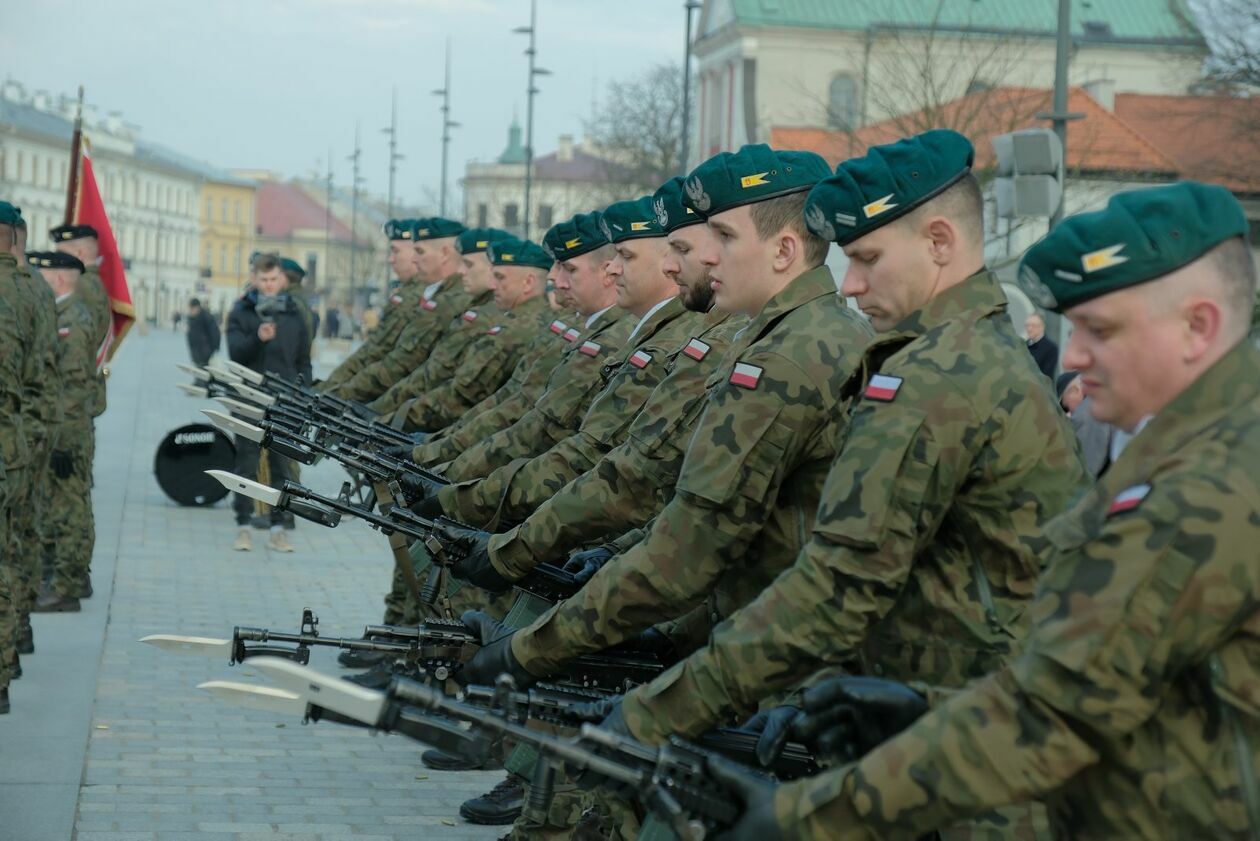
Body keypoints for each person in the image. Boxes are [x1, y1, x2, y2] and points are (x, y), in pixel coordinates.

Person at [713, 181, 1260, 841]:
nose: (1075, 356)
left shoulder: (1214, 484)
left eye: (1100, 329)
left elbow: (1053, 716)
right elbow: (1133, 688)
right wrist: (926, 709)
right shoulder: (1189, 447)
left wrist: (804, 817)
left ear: (1197, 326)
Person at [27, 251, 97, 615]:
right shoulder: (64, 314)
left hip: (67, 427)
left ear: (58, 278)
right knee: (69, 502)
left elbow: (71, 385)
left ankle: (66, 587)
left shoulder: (72, 320)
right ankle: (73, 577)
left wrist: (62, 437)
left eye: (40, 273)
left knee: (68, 506)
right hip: (66, 425)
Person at [226, 254, 311, 553]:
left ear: (282, 280)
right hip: (248, 398)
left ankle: (279, 528)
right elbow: (235, 353)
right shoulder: (241, 310)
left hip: (285, 400)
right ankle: (244, 526)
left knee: (282, 468)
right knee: (245, 465)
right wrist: (257, 338)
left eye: (274, 280)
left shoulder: (294, 313)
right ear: (254, 278)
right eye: (263, 280)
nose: (269, 285)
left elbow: (303, 361)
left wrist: (304, 398)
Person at [185, 298, 221, 367]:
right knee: (199, 375)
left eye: (192, 309)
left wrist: (212, 351)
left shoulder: (207, 317)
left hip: (207, 356)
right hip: (196, 356)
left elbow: (215, 334)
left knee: (207, 375)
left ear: (197, 307)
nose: (190, 311)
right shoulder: (191, 319)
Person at [1025, 311, 1058, 380]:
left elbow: (1046, 375)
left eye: (1033, 326)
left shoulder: (1051, 348)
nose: (1029, 329)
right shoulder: (1022, 345)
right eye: (1027, 325)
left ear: (1042, 327)